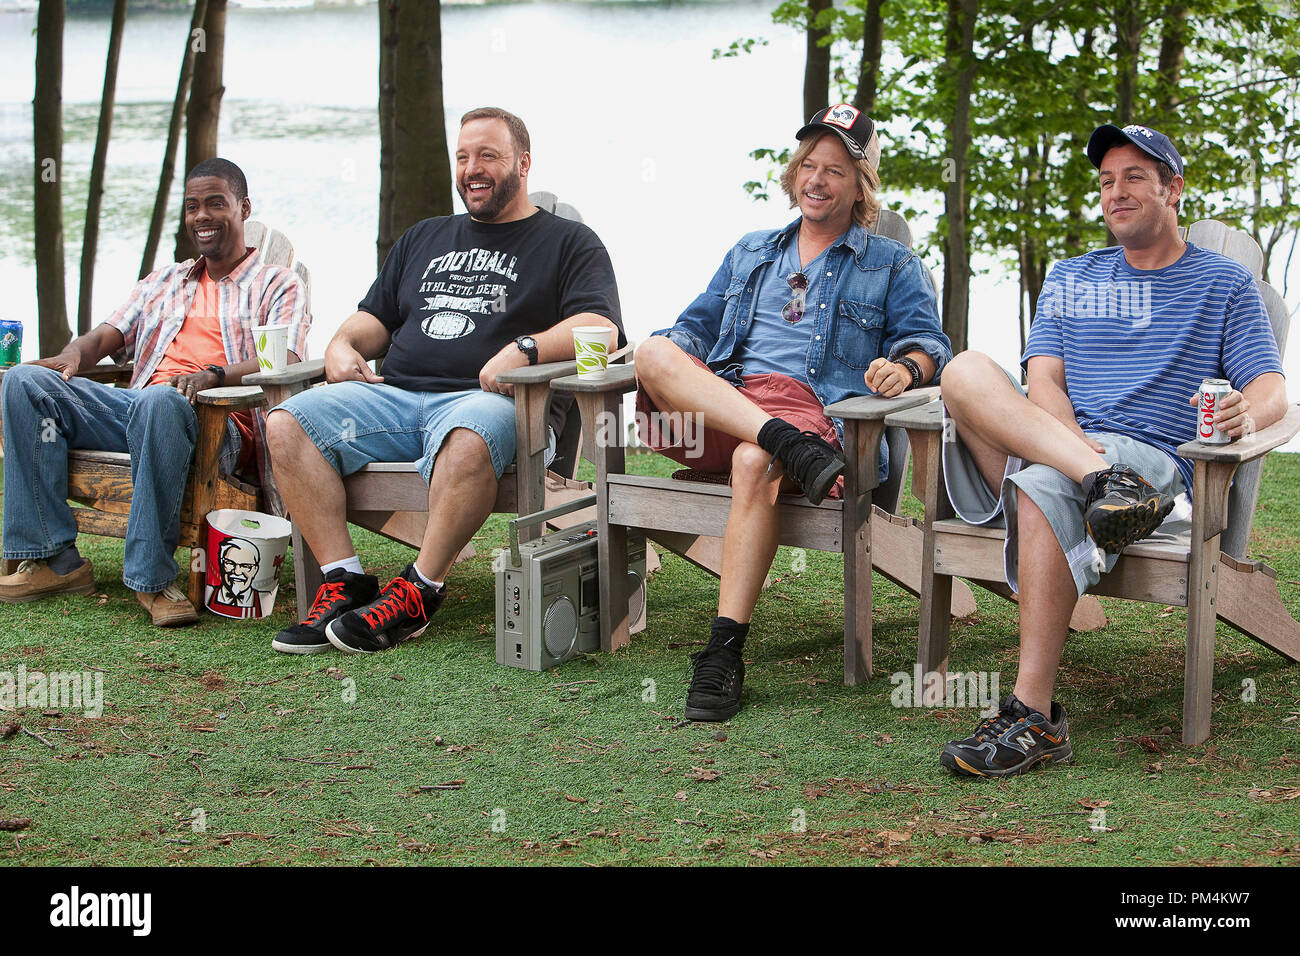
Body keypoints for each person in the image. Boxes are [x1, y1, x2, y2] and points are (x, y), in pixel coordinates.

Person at [936, 123, 1288, 776]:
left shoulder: (1226, 286)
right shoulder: (1072, 277)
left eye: (1133, 177)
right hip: (1073, 444)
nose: (1116, 192)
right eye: (1105, 181)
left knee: (1042, 486)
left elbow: (1272, 388)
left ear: (1173, 188)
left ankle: (1032, 716)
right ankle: (1105, 483)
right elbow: (1043, 381)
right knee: (960, 371)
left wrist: (1245, 412)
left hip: (1155, 457)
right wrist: (1078, 451)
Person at [632, 104, 952, 721]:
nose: (816, 179)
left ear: (861, 185)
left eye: (835, 168)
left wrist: (907, 369)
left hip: (818, 415)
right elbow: (693, 330)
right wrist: (663, 356)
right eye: (808, 164)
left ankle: (723, 653)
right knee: (652, 349)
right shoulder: (752, 250)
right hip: (727, 406)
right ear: (792, 173)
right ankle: (784, 443)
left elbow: (931, 344)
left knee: (755, 462)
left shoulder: (891, 265)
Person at [267, 106, 623, 656]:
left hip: (497, 405)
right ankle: (344, 579)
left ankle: (419, 590)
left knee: (466, 435)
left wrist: (524, 349)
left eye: (488, 155)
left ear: (523, 164)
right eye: (463, 157)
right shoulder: (424, 237)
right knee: (288, 423)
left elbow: (601, 326)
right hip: (396, 399)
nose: (472, 169)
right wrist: (340, 344)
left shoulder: (569, 242)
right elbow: (375, 318)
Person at [0, 159, 310, 626]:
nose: (201, 216)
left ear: (243, 208)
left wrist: (213, 376)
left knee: (161, 399)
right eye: (192, 207)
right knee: (24, 381)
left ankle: (151, 579)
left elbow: (281, 359)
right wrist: (72, 355)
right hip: (137, 413)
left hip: (217, 425)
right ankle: (54, 561)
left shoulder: (275, 283)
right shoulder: (164, 281)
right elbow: (108, 334)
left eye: (215, 204)